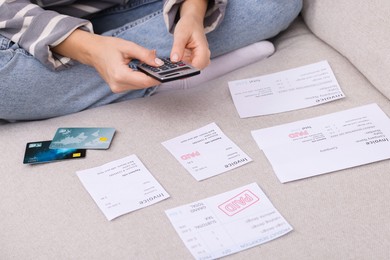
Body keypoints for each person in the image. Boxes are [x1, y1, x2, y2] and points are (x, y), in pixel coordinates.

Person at [0, 0, 302, 122]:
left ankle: (144, 73)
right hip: (18, 25)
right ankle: (170, 73)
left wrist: (193, 12)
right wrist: (87, 47)